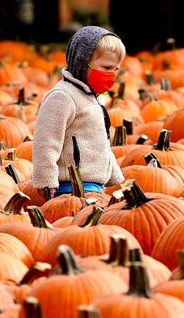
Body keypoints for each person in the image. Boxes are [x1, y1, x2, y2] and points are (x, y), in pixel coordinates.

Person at [32, 26, 125, 198]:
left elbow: (101, 142)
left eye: (115, 69)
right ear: (82, 63)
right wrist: (45, 179)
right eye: (106, 67)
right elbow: (46, 140)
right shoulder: (63, 97)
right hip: (69, 188)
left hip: (94, 187)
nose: (111, 74)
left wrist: (115, 176)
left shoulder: (94, 97)